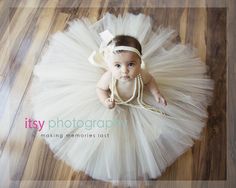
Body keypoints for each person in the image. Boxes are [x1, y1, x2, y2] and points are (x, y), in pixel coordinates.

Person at [32, 13, 214, 186]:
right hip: (115, 102)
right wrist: (105, 101)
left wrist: (157, 93)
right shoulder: (109, 77)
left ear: (139, 61)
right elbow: (100, 89)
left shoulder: (142, 75)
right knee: (111, 136)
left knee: (157, 128)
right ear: (109, 64)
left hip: (137, 99)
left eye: (131, 65)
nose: (125, 71)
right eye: (117, 65)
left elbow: (151, 81)